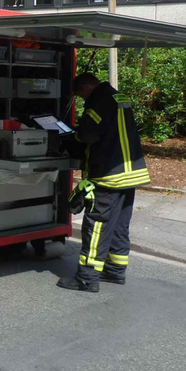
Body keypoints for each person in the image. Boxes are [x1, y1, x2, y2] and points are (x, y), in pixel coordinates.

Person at [57, 73, 150, 292]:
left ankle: (87, 278)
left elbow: (88, 135)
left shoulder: (98, 103)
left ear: (87, 86)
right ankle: (115, 271)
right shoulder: (119, 97)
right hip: (131, 173)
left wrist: (73, 136)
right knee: (119, 223)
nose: (81, 99)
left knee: (96, 225)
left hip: (109, 175)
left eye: (81, 94)